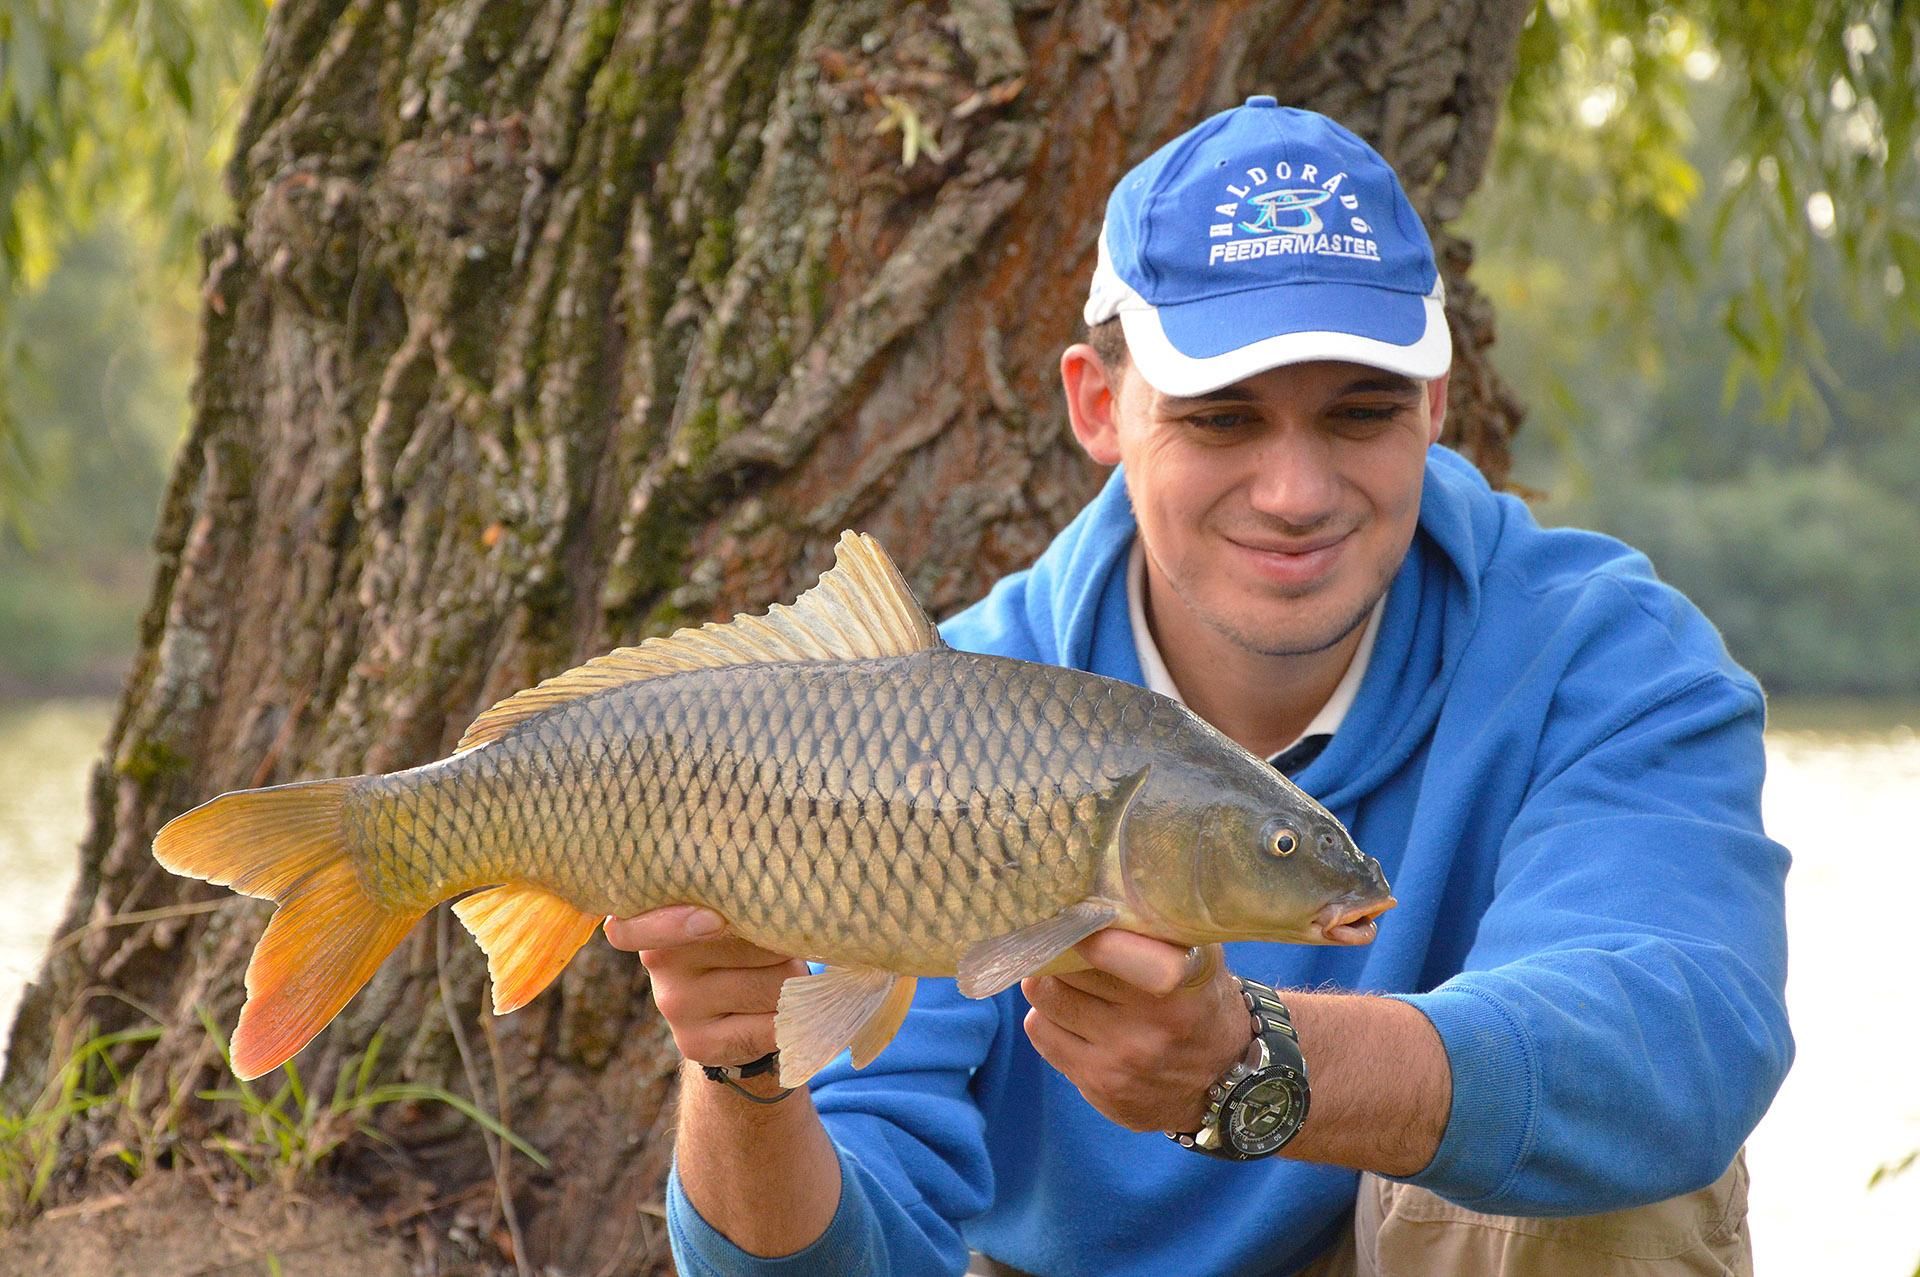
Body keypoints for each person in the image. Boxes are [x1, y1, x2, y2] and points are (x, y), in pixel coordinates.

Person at [606, 98, 1792, 1276]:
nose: (1294, 490)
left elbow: (1676, 1040)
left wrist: (1261, 1061)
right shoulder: (934, 727)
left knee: (1597, 1177)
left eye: (1361, 413)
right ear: (1095, 405)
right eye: (1223, 420)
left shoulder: (1603, 653)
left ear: (1435, 405)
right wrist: (744, 1078)